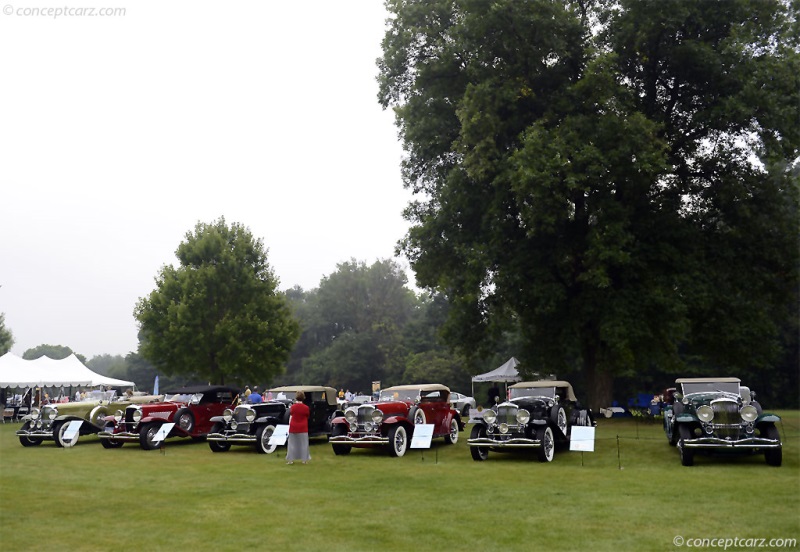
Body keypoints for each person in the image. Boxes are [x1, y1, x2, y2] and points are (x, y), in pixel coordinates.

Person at [286, 390, 311, 465]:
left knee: (292, 444)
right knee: (304, 444)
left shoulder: (293, 407)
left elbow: (291, 414)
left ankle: (290, 460)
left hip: (293, 426)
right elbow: (307, 416)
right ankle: (304, 460)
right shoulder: (306, 407)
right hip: (303, 427)